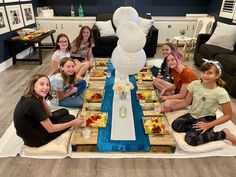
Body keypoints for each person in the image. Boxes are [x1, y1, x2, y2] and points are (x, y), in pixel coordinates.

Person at [162, 59, 236, 146]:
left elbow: (228, 115)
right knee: (175, 125)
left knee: (191, 140)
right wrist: (170, 109)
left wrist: (208, 125)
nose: (205, 75)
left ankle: (224, 134)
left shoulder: (221, 93)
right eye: (203, 72)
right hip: (193, 114)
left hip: (207, 118)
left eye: (209, 73)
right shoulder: (195, 85)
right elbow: (186, 102)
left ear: (218, 75)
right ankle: (198, 130)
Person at [13, 74, 84, 147]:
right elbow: (51, 129)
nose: (46, 87)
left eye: (47, 85)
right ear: (33, 86)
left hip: (35, 126)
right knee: (70, 118)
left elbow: (49, 114)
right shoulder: (34, 104)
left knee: (64, 111)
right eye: (41, 84)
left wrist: (42, 98)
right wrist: (72, 123)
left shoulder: (30, 96)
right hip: (37, 139)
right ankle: (70, 121)